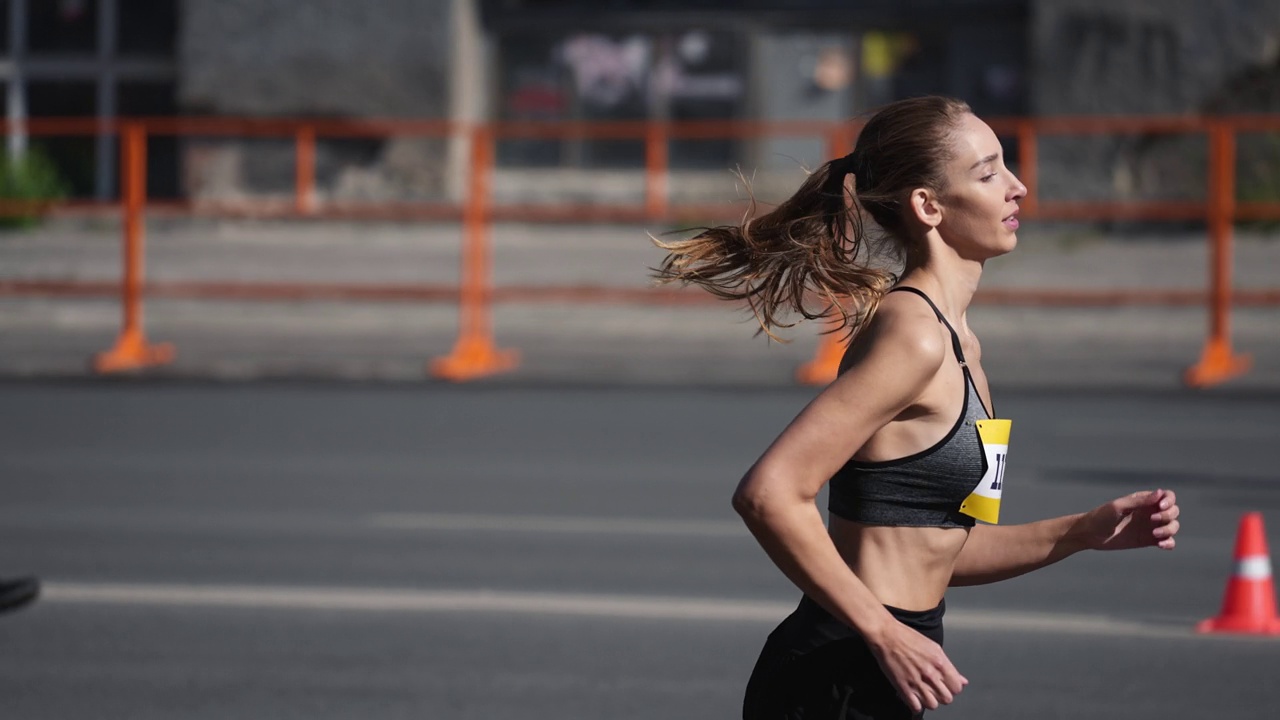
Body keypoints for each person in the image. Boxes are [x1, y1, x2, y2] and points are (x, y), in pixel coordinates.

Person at [652, 95, 1181, 719]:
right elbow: (769, 493)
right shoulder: (916, 335)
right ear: (928, 206)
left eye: (1006, 166)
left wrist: (1080, 531)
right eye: (987, 174)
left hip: (889, 663)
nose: (1018, 187)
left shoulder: (966, 348)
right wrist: (882, 631)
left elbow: (947, 550)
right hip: (840, 669)